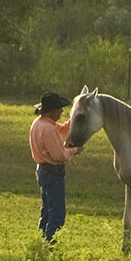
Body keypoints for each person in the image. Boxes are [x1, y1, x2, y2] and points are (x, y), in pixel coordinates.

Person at [29, 91, 78, 241]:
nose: (61, 111)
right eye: (59, 109)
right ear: (52, 111)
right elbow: (58, 155)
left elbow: (62, 129)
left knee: (46, 212)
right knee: (57, 216)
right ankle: (49, 245)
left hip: (43, 171)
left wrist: (73, 120)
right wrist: (75, 150)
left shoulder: (39, 124)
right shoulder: (49, 129)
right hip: (53, 172)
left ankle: (40, 242)